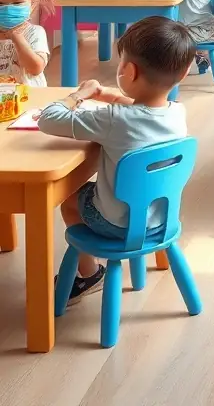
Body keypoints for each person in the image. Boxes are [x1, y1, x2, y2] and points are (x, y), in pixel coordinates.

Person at [37, 17, 194, 303]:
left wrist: (78, 95)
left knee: (69, 201)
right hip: (161, 218)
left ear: (128, 71)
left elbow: (49, 119)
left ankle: (89, 274)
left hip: (116, 224)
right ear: (182, 74)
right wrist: (110, 95)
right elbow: (141, 113)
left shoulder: (113, 121)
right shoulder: (177, 112)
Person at [0, 0, 54, 87]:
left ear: (33, 3)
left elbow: (35, 68)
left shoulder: (35, 33)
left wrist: (16, 37)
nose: (7, 8)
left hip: (30, 95)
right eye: (0, 3)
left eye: (17, 3)